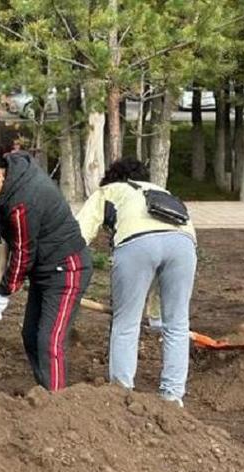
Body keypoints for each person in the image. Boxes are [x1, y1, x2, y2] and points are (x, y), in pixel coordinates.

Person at [0, 138, 92, 391]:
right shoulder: (12, 172)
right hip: (45, 269)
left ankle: (56, 405)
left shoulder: (22, 200)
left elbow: (24, 252)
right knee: (30, 336)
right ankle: (45, 392)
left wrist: (3, 291)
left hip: (68, 268)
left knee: (49, 342)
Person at [74, 157, 197, 407]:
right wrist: (155, 316)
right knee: (177, 324)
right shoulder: (161, 191)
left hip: (137, 244)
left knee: (126, 323)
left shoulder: (109, 190)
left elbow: (79, 234)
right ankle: (173, 395)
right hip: (184, 245)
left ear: (113, 178)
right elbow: (164, 243)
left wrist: (59, 266)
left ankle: (122, 392)